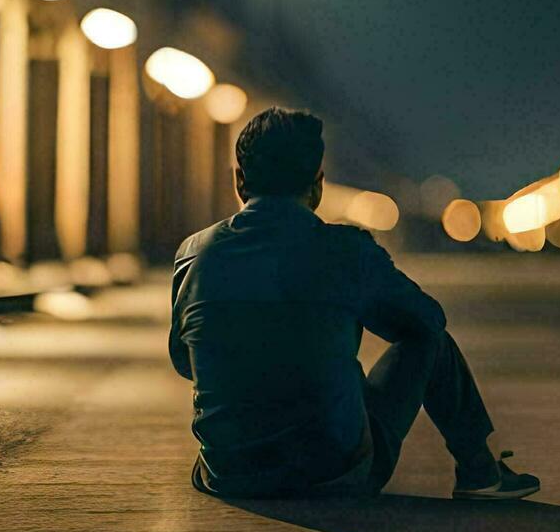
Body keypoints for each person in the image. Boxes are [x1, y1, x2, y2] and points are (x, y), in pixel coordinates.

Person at [170, 107, 539, 501]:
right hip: (334, 473)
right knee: (429, 339)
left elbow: (183, 360)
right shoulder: (345, 251)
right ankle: (480, 474)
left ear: (240, 181)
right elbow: (428, 320)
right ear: (318, 185)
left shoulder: (194, 254)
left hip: (228, 474)